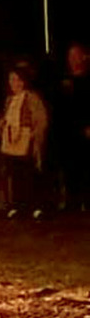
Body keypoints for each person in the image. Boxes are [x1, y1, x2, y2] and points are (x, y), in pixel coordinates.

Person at [0, 63, 49, 219]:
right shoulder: (9, 100)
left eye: (18, 80)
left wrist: (34, 134)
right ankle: (17, 205)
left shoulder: (32, 98)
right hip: (11, 140)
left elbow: (41, 119)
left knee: (29, 173)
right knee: (15, 174)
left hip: (27, 139)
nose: (15, 84)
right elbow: (6, 118)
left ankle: (35, 206)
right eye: (11, 80)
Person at [57, 42, 90, 211]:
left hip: (84, 130)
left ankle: (86, 200)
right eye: (70, 56)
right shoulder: (64, 80)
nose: (73, 60)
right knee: (69, 166)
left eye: (76, 56)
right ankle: (71, 200)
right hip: (66, 130)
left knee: (85, 165)